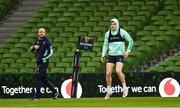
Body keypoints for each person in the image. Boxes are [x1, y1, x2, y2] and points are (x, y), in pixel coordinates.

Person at [101, 18, 134, 99]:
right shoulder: (107, 34)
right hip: (111, 55)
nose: (112, 25)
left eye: (114, 24)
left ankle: (125, 88)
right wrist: (103, 55)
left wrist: (127, 51)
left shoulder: (122, 32)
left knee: (118, 71)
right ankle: (109, 91)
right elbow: (105, 45)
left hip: (120, 55)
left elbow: (131, 41)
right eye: (111, 24)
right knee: (108, 73)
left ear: (117, 24)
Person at [30, 28, 59, 100]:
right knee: (44, 80)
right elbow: (31, 49)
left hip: (44, 62)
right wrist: (34, 47)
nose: (41, 33)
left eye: (43, 32)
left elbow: (51, 53)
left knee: (38, 78)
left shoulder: (47, 41)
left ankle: (37, 96)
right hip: (39, 62)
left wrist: (43, 59)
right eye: (40, 32)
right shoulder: (37, 41)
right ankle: (55, 92)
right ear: (38, 33)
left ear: (45, 33)